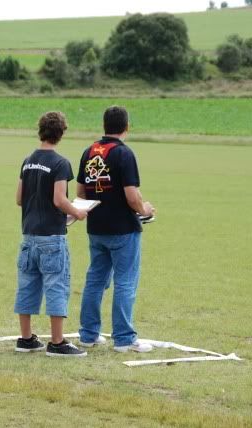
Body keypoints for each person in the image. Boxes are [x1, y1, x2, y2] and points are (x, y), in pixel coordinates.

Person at [76, 106, 156, 353]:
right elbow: (131, 196)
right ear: (127, 127)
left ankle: (88, 335)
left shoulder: (89, 152)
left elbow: (80, 192)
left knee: (95, 280)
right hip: (122, 229)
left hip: (96, 228)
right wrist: (145, 210)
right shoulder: (124, 154)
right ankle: (124, 339)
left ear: (104, 125)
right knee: (125, 282)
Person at [14, 111, 88, 357]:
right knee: (56, 285)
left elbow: (18, 199)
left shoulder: (27, 161)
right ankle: (57, 342)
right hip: (52, 236)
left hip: (29, 234)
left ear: (41, 130)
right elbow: (59, 199)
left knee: (27, 285)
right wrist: (76, 212)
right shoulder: (60, 163)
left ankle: (26, 339)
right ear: (61, 133)